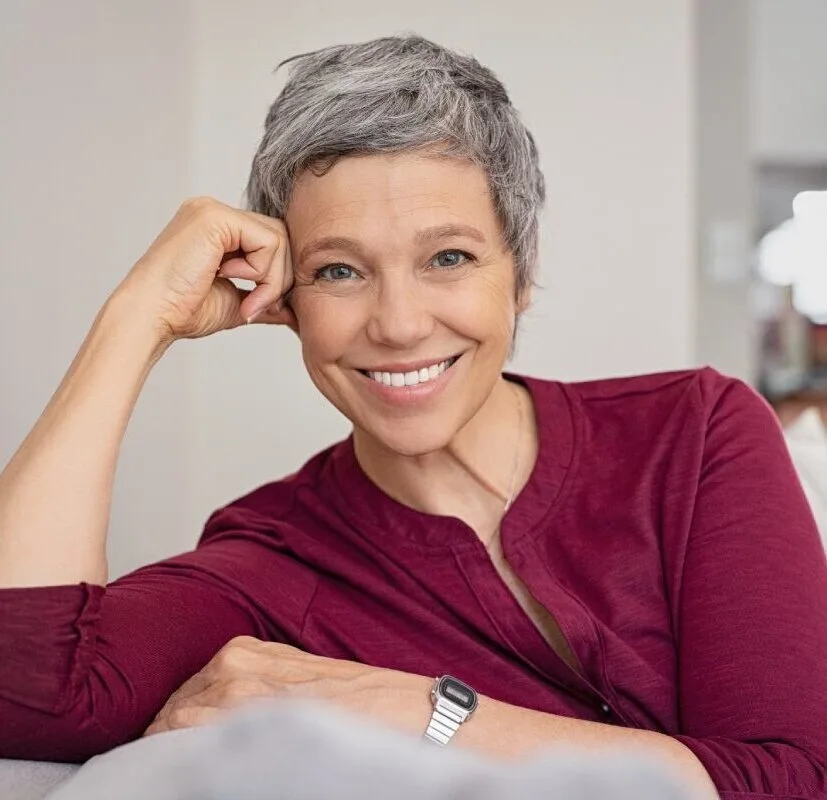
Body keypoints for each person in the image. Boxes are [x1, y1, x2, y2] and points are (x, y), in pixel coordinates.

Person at [0, 35, 824, 800]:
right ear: (284, 301)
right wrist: (137, 319)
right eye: (339, 271)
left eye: (448, 258)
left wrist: (433, 716)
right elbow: (27, 698)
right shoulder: (269, 557)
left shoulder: (694, 430)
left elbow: (798, 776)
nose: (397, 323)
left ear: (521, 271)